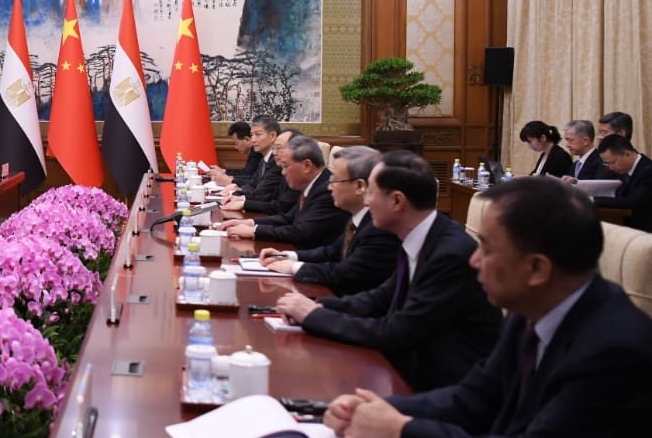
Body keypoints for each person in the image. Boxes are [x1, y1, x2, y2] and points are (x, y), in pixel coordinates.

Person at [324, 177, 652, 438]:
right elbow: (474, 399)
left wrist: (402, 431)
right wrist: (380, 410)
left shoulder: (616, 353)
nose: (474, 260)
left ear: (536, 268)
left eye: (486, 249)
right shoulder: (531, 311)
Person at [276, 150, 500, 392]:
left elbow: (397, 333)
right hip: (409, 371)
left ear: (396, 201)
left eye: (371, 193)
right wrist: (319, 305)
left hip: (439, 387)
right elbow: (380, 298)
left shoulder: (449, 255)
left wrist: (314, 317)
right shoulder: (418, 235)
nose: (366, 201)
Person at [258, 146, 400, 294]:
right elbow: (330, 252)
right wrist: (288, 256)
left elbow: (345, 274)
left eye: (335, 180)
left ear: (359, 186)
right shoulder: (357, 216)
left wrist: (294, 267)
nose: (329, 187)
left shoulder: (379, 227)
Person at [214, 135, 348, 248]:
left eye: (285, 166)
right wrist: (248, 223)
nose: (283, 172)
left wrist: (254, 231)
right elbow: (288, 218)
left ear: (307, 165)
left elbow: (301, 233)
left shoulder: (327, 190)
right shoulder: (312, 184)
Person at [591, 134, 652, 243]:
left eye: (612, 163)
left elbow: (632, 202)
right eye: (607, 164)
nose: (610, 168)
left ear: (627, 154)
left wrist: (593, 201)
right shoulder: (626, 170)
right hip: (633, 229)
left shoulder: (649, 172)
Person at [222, 128, 302, 215]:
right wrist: (242, 199)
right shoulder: (273, 164)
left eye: (279, 148)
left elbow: (281, 207)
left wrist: (245, 203)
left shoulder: (297, 175)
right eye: (274, 148)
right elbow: (271, 197)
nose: (274, 153)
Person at [208, 121, 261, 188]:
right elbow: (246, 172)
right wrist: (224, 171)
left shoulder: (257, 153)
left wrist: (230, 180)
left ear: (247, 139)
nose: (235, 147)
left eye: (236, 143)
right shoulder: (254, 151)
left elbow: (249, 176)